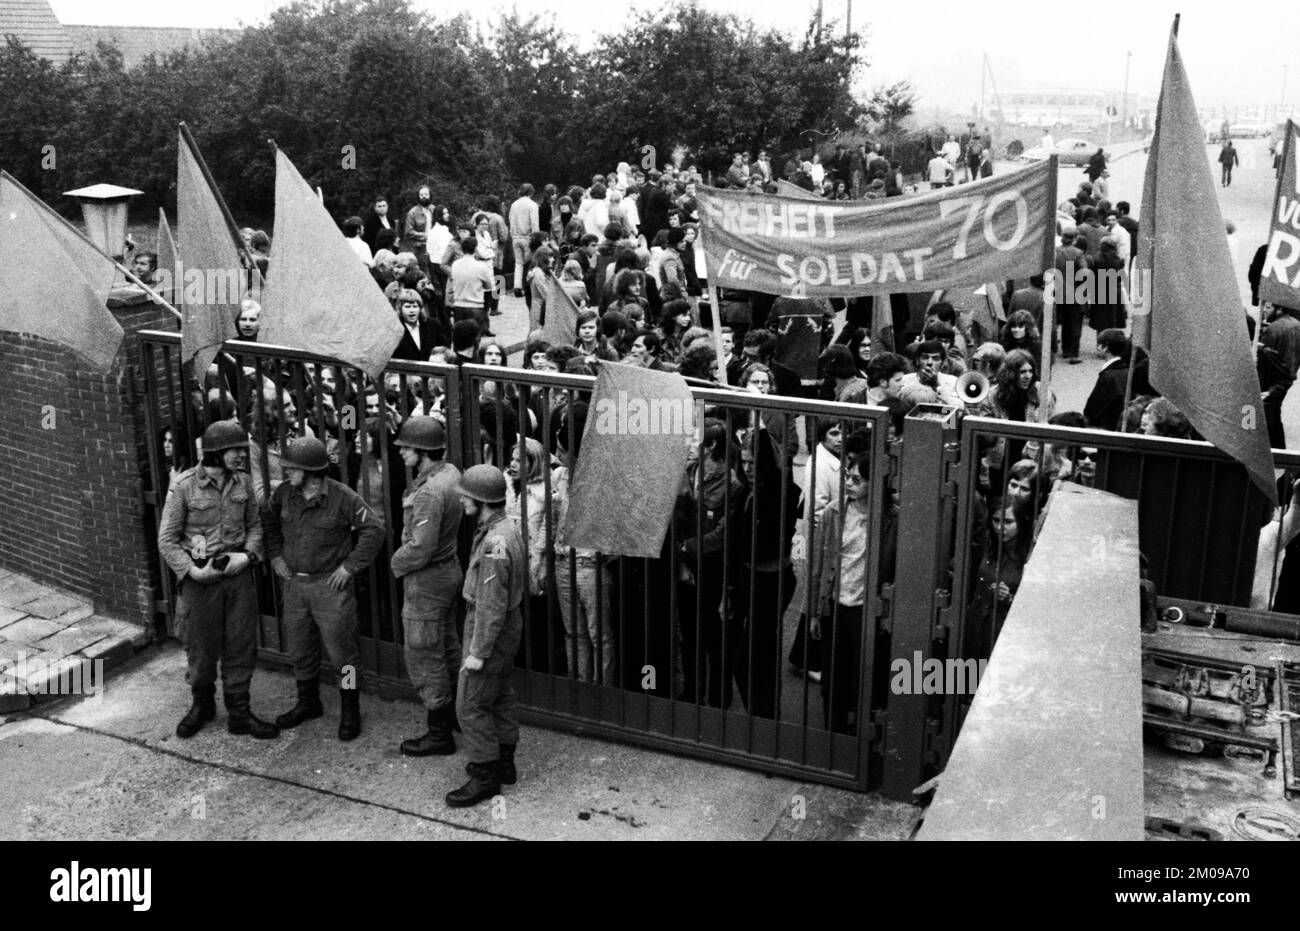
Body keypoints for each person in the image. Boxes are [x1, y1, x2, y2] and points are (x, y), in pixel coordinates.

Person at [157, 421, 279, 740]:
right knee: (201, 647)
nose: (241, 455)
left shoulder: (244, 483)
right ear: (215, 453)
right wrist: (193, 572)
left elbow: (255, 527)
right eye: (234, 450)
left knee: (241, 645)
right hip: (199, 580)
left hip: (238, 576)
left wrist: (248, 556)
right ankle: (202, 706)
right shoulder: (184, 486)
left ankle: (239, 712)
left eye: (243, 449)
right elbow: (167, 540)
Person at [263, 436, 384, 741]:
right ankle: (308, 702)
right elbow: (270, 522)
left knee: (343, 654)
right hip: (295, 585)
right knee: (301, 648)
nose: (287, 473)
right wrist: (276, 554)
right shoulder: (284, 494)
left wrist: (349, 567)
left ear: (311, 471)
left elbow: (374, 530)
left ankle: (350, 708)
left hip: (330, 588)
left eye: (292, 468)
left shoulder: (343, 498)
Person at [386, 417, 466, 757]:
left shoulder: (430, 491)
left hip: (427, 578)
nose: (401, 451)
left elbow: (421, 546)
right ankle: (459, 715)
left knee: (423, 654)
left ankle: (439, 734)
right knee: (446, 645)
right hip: (448, 572)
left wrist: (394, 564)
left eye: (406, 447)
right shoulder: (450, 474)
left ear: (422, 450)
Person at [447, 464, 526, 808]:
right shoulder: (506, 528)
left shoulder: (495, 542)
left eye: (467, 495)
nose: (462, 499)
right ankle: (505, 762)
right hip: (506, 627)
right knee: (500, 693)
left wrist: (477, 652)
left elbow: (491, 604)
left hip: (488, 627)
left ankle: (485, 775)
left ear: (481, 500)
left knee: (470, 704)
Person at [965, 496, 1034, 658]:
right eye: (996, 520)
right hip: (976, 629)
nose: (1000, 527)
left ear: (1021, 522)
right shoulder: (987, 544)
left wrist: (1009, 598)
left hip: (1004, 634)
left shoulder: (1030, 554)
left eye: (1008, 522)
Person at [509, 184, 539, 296]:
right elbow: (534, 223)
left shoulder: (514, 205)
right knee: (531, 262)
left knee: (519, 263)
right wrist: (536, 238)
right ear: (531, 192)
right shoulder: (532, 205)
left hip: (515, 237)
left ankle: (517, 286)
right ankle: (529, 287)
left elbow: (510, 220)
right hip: (528, 237)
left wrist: (513, 235)